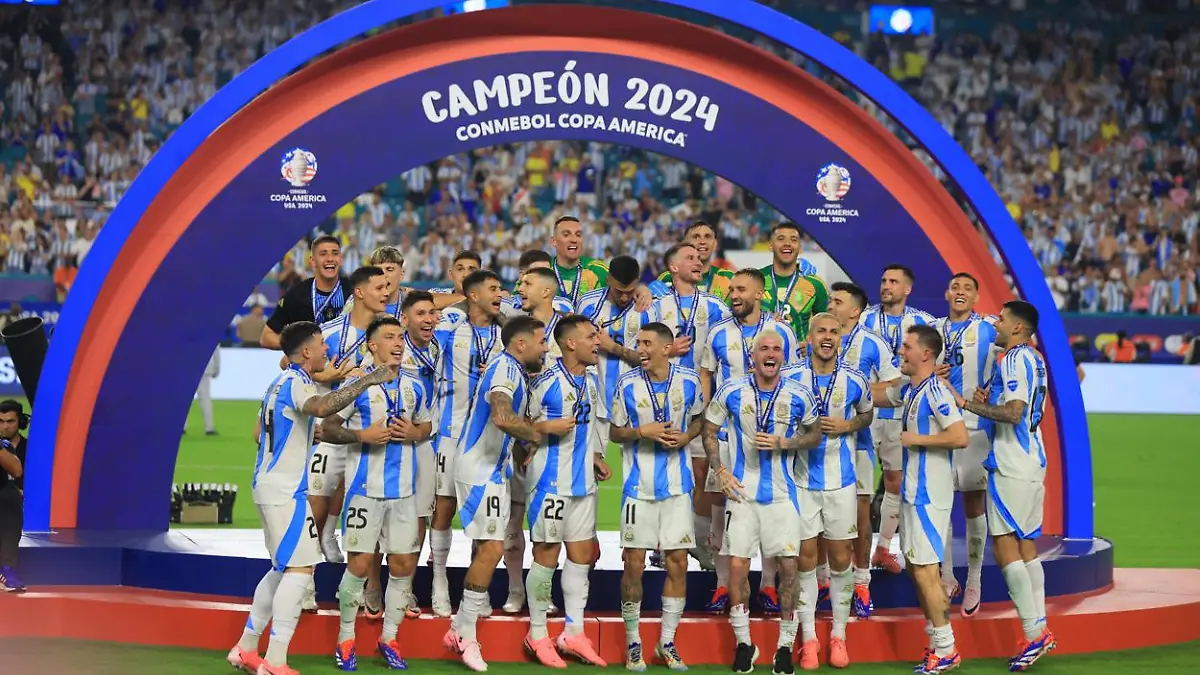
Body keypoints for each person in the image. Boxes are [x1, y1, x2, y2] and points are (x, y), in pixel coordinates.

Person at [226, 321, 396, 675]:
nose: (326, 350)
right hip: (285, 491)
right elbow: (320, 406)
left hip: (274, 485)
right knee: (301, 570)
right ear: (306, 351)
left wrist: (316, 435)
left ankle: (245, 647)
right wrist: (367, 380)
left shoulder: (278, 383)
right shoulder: (297, 382)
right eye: (321, 344)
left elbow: (263, 431)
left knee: (282, 569)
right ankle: (275, 660)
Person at [703, 329, 822, 675]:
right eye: (764, 349)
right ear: (752, 356)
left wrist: (786, 444)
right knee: (737, 566)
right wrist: (720, 470)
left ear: (783, 356)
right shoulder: (731, 390)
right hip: (741, 494)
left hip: (783, 496)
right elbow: (708, 430)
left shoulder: (798, 394)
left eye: (776, 349)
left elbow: (815, 433)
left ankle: (785, 647)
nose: (770, 354)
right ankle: (744, 644)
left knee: (789, 568)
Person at [949, 300, 1057, 671]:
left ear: (1017, 328)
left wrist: (967, 404)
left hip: (1012, 463)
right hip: (1033, 458)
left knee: (1006, 546)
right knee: (1026, 546)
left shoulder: (1012, 359)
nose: (996, 323)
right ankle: (1040, 627)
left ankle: (1033, 633)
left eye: (1001, 319)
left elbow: (1013, 412)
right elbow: (1019, 408)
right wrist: (990, 399)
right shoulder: (1035, 358)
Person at [323, 316, 434, 671]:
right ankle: (345, 639)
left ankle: (389, 638)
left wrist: (415, 434)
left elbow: (427, 425)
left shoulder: (415, 385)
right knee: (358, 565)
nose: (398, 343)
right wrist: (362, 436)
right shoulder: (357, 385)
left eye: (401, 337)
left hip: (404, 493)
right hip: (364, 492)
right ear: (373, 345)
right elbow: (327, 427)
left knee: (403, 565)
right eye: (389, 337)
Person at [443, 315, 548, 672]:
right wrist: (535, 433)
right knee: (491, 548)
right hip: (479, 470)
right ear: (521, 344)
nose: (545, 348)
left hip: (491, 468)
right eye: (541, 341)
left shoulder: (512, 368)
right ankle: (466, 634)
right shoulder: (505, 369)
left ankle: (459, 628)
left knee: (491, 546)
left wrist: (520, 443)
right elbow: (502, 416)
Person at [697, 268, 799, 612]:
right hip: (727, 437)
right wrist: (707, 417)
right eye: (732, 289)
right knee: (720, 511)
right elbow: (706, 375)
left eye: (741, 289)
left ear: (759, 294)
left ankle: (768, 585)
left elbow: (793, 377)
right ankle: (722, 584)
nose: (734, 295)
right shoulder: (718, 332)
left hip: (769, 437)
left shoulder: (781, 332)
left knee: (769, 511)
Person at [609, 322, 706, 672]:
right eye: (639, 343)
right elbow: (614, 432)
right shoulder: (627, 383)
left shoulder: (690, 381)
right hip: (638, 487)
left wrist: (687, 437)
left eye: (648, 343)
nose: (642, 349)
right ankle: (633, 642)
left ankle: (667, 641)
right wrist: (641, 432)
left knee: (678, 561)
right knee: (634, 562)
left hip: (677, 487)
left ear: (667, 348)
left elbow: (700, 419)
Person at [780, 313, 874, 669]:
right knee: (804, 560)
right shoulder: (790, 377)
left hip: (841, 482)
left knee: (840, 559)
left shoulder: (854, 379)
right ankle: (808, 638)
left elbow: (866, 415)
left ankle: (839, 636)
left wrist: (848, 424)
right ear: (809, 336)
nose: (828, 337)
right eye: (821, 331)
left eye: (834, 332)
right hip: (801, 482)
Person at [874, 325, 969, 675]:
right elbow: (877, 394)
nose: (901, 351)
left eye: (907, 346)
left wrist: (918, 440)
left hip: (930, 496)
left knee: (928, 572)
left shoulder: (936, 392)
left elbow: (959, 436)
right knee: (917, 568)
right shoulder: (911, 389)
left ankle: (947, 649)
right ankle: (936, 642)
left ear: (926, 354)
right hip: (913, 493)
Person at [522, 314, 610, 667]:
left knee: (581, 555)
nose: (597, 342)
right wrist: (545, 428)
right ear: (571, 343)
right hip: (549, 483)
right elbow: (520, 425)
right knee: (546, 554)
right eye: (590, 337)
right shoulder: (545, 382)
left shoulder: (590, 381)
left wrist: (594, 458)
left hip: (582, 483)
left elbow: (588, 426)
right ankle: (537, 633)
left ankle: (573, 633)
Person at [429, 269, 506, 618]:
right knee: (444, 506)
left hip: (487, 437)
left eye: (500, 288)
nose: (500, 293)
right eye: (492, 289)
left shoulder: (506, 333)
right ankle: (438, 581)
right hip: (450, 431)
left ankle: (479, 587)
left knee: (482, 512)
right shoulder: (451, 325)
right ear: (473, 296)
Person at [651, 243, 731, 573]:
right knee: (662, 475)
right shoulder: (656, 307)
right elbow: (640, 349)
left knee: (700, 474)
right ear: (672, 267)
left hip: (701, 403)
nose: (698, 261)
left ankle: (698, 541)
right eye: (689, 258)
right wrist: (667, 351)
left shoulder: (715, 306)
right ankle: (661, 544)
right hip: (663, 403)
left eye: (699, 258)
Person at [826, 281, 900, 618]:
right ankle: (823, 579)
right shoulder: (819, 337)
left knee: (859, 513)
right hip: (819, 443)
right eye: (830, 300)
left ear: (855, 311)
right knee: (820, 514)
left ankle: (861, 581)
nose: (831, 305)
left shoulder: (872, 343)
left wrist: (862, 391)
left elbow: (896, 384)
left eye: (838, 301)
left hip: (859, 441)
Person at [310, 266, 392, 569]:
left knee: (351, 491)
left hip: (367, 427)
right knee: (319, 493)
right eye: (379, 287)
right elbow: (289, 363)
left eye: (387, 287)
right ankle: (306, 560)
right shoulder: (330, 331)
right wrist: (326, 375)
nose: (386, 293)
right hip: (329, 426)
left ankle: (329, 535)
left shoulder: (389, 332)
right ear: (359, 292)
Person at [858, 264, 936, 574]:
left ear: (907, 289)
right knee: (858, 487)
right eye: (883, 280)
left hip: (898, 412)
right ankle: (853, 553)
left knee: (895, 482)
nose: (886, 286)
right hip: (864, 412)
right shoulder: (863, 318)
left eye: (893, 281)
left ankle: (883, 548)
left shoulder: (923, 322)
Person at [500, 265, 567, 614]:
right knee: (512, 520)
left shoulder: (569, 329)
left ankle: (544, 592)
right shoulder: (513, 327)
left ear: (546, 291)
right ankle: (515, 590)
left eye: (527, 283)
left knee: (550, 526)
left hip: (555, 442)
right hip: (515, 437)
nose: (519, 287)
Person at [932, 273, 999, 616]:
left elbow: (1021, 350)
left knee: (974, 505)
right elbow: (908, 366)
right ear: (947, 293)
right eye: (955, 287)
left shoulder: (988, 327)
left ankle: (974, 579)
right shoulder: (932, 329)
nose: (960, 292)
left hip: (975, 427)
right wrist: (930, 375)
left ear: (975, 298)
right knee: (940, 504)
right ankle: (947, 577)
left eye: (967, 288)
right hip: (939, 426)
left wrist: (993, 389)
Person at [577, 255, 655, 408]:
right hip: (593, 400)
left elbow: (653, 359)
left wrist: (613, 348)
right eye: (619, 291)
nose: (624, 298)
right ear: (608, 280)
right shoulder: (587, 304)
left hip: (634, 401)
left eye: (630, 291)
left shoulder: (648, 308)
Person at [260, 235, 352, 349]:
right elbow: (266, 337)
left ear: (341, 259)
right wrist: (298, 346)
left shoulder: (355, 290)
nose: (330, 258)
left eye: (335, 253)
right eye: (323, 254)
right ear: (312, 261)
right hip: (310, 359)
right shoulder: (296, 295)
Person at [758, 222, 827, 342]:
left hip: (799, 353)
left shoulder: (815, 284)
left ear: (800, 247)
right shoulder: (756, 279)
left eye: (793, 240)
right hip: (762, 350)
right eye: (781, 239)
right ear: (770, 245)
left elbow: (826, 325)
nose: (787, 243)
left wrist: (810, 345)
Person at [653, 221, 737, 302]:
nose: (702, 242)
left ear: (715, 244)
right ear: (684, 244)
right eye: (696, 237)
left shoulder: (728, 278)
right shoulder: (668, 278)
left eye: (707, 236)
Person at [549, 215, 612, 310]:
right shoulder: (542, 268)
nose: (574, 240)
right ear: (554, 241)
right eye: (566, 235)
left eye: (578, 235)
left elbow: (627, 290)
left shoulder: (599, 270)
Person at [0, 400, 28, 593]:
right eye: (1, 422)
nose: (5, 427)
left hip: (8, 496)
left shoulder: (6, 446)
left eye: (10, 421)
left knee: (10, 497)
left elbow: (17, 471)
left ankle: (7, 568)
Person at [502, 249, 575, 317]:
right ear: (522, 276)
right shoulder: (505, 306)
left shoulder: (564, 305)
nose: (544, 277)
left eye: (548, 272)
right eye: (538, 272)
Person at [191, 348, 220, 436]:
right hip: (205, 367)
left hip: (187, 367)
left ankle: (182, 427)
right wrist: (216, 370)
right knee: (205, 400)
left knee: (183, 400)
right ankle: (209, 427)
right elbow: (216, 353)